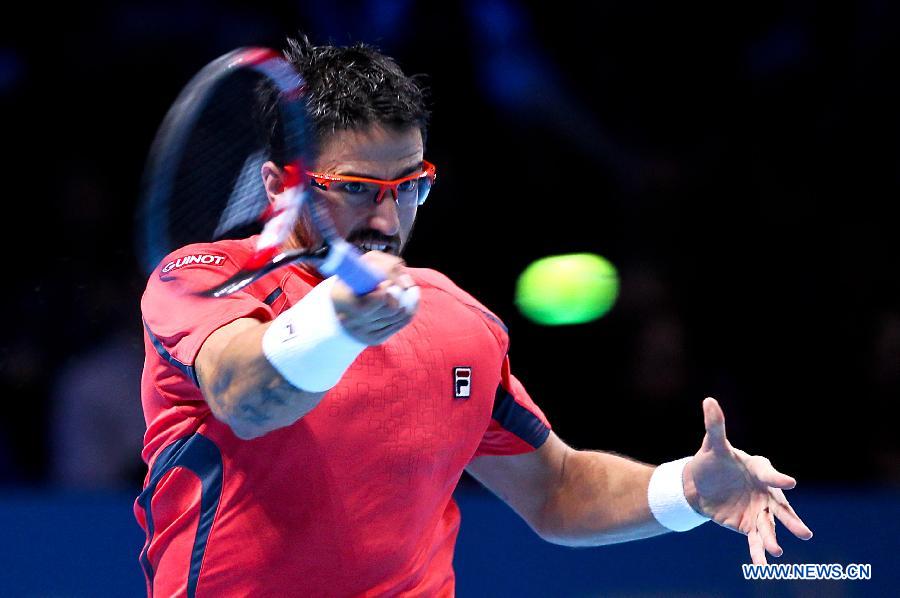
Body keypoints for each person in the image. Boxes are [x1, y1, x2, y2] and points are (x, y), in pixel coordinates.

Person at [136, 35, 812, 596]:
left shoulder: (457, 321)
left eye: (410, 188)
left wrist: (689, 488)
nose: (385, 217)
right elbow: (247, 397)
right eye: (355, 190)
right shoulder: (202, 280)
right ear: (283, 185)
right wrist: (335, 322)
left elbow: (557, 489)